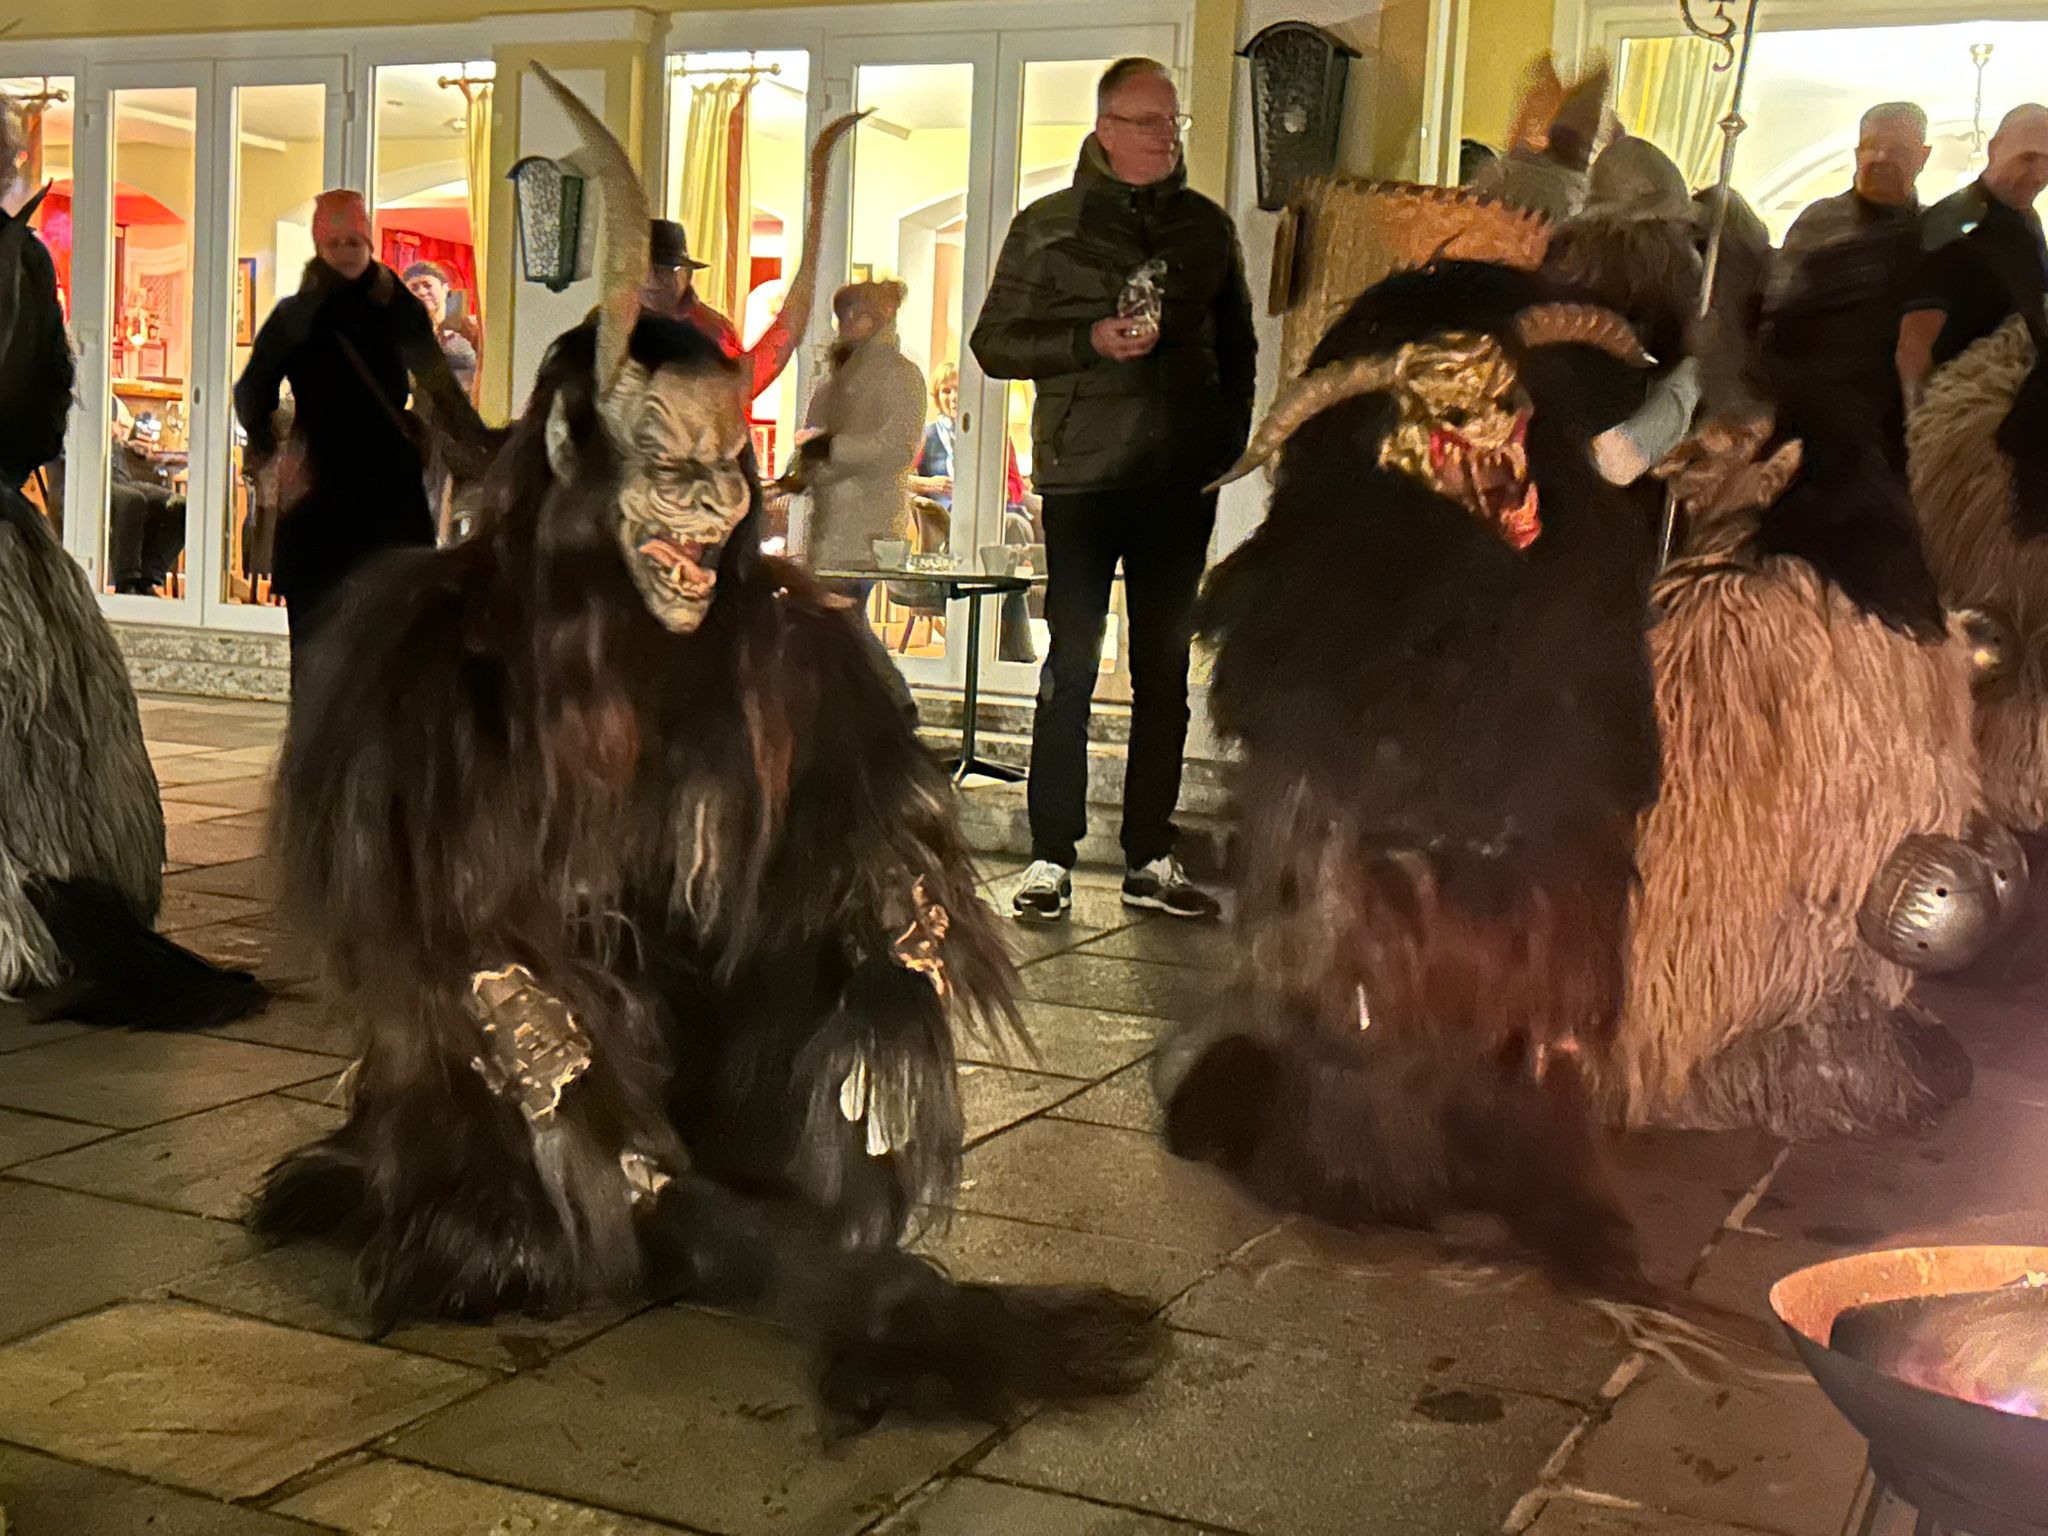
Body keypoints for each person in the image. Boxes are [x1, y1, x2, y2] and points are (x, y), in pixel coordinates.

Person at [252, 66, 1160, 1424]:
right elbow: (434, 928)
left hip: (700, 1035)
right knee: (516, 1231)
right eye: (670, 473)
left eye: (731, 468)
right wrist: (565, 1094)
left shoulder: (782, 649)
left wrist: (896, 966)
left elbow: (871, 842)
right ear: (583, 474)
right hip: (517, 1041)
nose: (716, 510)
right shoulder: (447, 656)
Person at [971, 56, 1255, 923]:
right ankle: (1049, 855)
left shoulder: (1206, 229)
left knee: (1164, 671)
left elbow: (1238, 349)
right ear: (1105, 130)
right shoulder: (1048, 227)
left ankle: (1149, 854)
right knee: (1071, 666)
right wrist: (1087, 340)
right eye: (1148, 121)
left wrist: (1224, 446)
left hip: (1177, 481)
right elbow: (994, 343)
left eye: (1173, 122)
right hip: (1083, 477)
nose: (1166, 136)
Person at [234, 189, 486, 685]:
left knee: (390, 637)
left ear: (369, 240)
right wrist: (272, 448)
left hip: (379, 486)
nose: (346, 252)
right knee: (322, 645)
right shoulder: (301, 315)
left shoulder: (392, 308)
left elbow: (439, 386)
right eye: (335, 243)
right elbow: (251, 391)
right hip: (327, 488)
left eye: (353, 241)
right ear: (318, 244)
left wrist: (481, 442)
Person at [1766, 104, 1930, 468]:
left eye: (1898, 149)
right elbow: (1776, 316)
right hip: (1816, 419)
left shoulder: (1937, 238)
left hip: (1901, 432)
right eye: (1872, 146)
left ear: (1923, 156)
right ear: (1857, 152)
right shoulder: (1819, 223)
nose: (1881, 157)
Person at [1897, 103, 2048, 413]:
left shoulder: (2025, 221)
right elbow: (1914, 344)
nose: (2040, 175)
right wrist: (1922, 424)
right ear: (1995, 148)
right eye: (2028, 158)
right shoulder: (1950, 222)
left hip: (2018, 400)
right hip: (1966, 406)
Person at [797, 277, 927, 604]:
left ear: (878, 318)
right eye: (843, 314)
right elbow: (814, 433)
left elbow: (898, 447)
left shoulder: (900, 375)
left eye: (858, 314)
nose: (848, 322)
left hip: (868, 522)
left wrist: (832, 447)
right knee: (832, 614)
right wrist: (803, 466)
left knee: (844, 612)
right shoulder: (835, 376)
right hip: (828, 521)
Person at [911, 362, 1036, 662]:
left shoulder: (993, 433)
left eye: (959, 389)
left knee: (1010, 527)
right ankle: (1015, 653)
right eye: (946, 391)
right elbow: (899, 478)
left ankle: (991, 643)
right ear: (937, 396)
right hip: (951, 527)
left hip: (998, 517)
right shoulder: (927, 435)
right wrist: (929, 483)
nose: (953, 397)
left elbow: (1016, 485)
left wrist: (997, 492)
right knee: (1004, 548)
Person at [400, 260, 480, 399]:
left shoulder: (469, 328)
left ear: (445, 288)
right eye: (414, 288)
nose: (422, 292)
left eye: (428, 285)